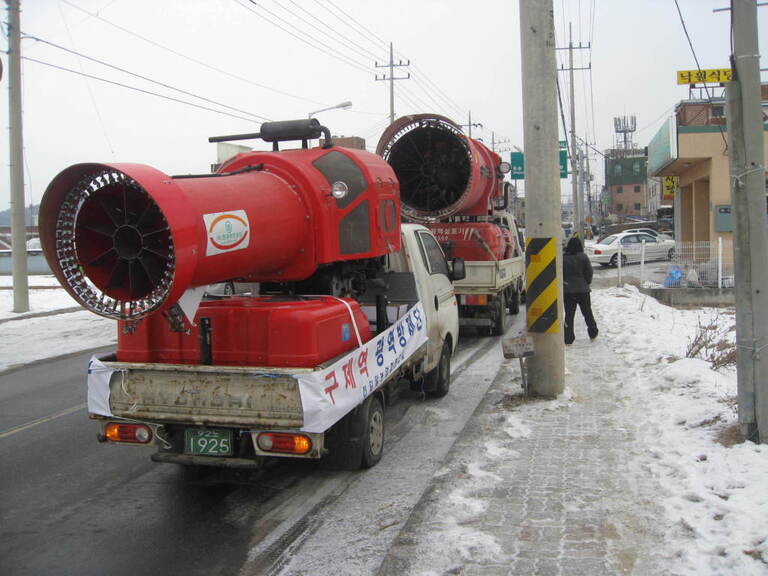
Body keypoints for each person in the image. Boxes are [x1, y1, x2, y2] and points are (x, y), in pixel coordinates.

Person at [563, 236, 598, 345]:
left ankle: (568, 338)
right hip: (583, 291)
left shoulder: (563, 258)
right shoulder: (583, 257)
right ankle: (593, 332)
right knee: (587, 312)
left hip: (568, 291)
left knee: (569, 315)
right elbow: (589, 273)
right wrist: (586, 283)